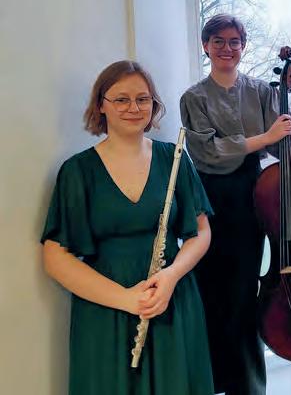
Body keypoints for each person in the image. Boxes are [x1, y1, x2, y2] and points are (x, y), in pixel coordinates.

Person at [41, 60, 214, 395]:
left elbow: (200, 232)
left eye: (143, 99)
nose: (134, 108)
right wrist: (126, 299)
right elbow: (55, 257)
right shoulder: (77, 171)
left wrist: (171, 276)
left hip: (170, 298)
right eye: (121, 99)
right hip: (105, 307)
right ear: (100, 105)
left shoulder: (174, 158)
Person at [180, 13, 291, 395]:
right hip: (210, 198)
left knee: (245, 295)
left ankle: (248, 387)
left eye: (234, 41)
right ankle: (211, 383)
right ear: (205, 46)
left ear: (243, 47)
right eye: (218, 41)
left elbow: (285, 137)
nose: (226, 48)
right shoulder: (194, 97)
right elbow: (207, 152)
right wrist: (263, 138)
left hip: (250, 195)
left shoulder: (262, 91)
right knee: (211, 291)